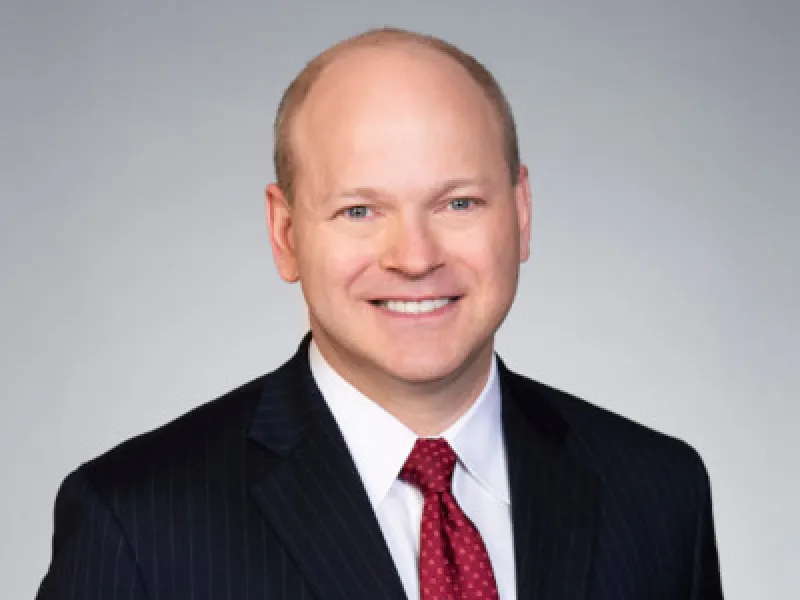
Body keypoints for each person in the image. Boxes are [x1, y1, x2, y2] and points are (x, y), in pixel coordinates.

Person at [36, 27, 724, 600]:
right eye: (360, 210)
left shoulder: (660, 493)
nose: (415, 256)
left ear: (520, 212)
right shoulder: (137, 520)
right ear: (286, 234)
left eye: (458, 202)